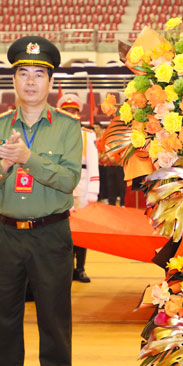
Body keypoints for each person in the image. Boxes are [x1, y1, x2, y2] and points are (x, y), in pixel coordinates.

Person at [0, 35, 83, 366]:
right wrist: (4, 165)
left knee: (55, 323)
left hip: (51, 235)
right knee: (2, 323)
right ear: (14, 80)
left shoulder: (68, 127)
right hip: (5, 235)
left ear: (51, 82)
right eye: (23, 74)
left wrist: (27, 159)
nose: (30, 81)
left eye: (38, 74)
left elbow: (69, 181)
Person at [58, 93, 100, 283]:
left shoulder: (87, 134)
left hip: (82, 185)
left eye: (73, 111)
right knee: (63, 229)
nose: (70, 114)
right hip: (61, 187)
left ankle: (80, 268)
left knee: (82, 230)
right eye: (66, 111)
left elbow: (93, 163)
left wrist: (93, 191)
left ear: (78, 113)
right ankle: (65, 268)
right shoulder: (54, 134)